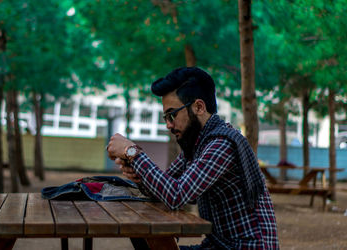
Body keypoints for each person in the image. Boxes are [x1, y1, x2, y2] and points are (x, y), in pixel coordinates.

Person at [107, 67, 279, 249]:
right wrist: (138, 174)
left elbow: (176, 195)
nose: (168, 124)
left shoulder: (221, 144)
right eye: (165, 116)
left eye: (172, 114)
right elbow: (165, 191)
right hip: (218, 245)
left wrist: (133, 152)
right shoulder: (197, 144)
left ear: (198, 107)